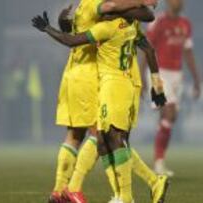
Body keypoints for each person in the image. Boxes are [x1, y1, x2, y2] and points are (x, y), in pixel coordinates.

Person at [32, 9, 168, 203]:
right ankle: (141, 187)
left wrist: (49, 28)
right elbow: (148, 42)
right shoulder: (129, 25)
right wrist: (158, 87)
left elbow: (72, 39)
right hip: (119, 82)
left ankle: (120, 195)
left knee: (108, 138)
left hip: (112, 84)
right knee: (106, 140)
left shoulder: (106, 27)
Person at [142, 0, 201, 176]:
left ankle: (159, 161)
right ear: (168, 2)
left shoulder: (185, 24)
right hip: (158, 73)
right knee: (170, 113)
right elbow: (147, 48)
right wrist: (141, 74)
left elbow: (188, 52)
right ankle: (158, 162)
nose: (180, 2)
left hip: (176, 75)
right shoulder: (158, 21)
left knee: (167, 119)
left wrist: (197, 79)